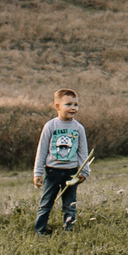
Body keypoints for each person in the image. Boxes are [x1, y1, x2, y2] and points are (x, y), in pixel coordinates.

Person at [32, 88, 92, 235]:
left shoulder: (78, 128)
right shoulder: (50, 126)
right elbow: (42, 151)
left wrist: (84, 172)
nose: (73, 108)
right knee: (46, 203)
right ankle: (40, 230)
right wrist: (38, 172)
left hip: (72, 173)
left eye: (76, 104)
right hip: (52, 171)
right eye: (68, 104)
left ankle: (69, 229)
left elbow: (83, 152)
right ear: (57, 106)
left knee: (70, 204)